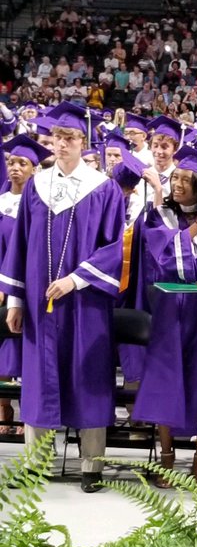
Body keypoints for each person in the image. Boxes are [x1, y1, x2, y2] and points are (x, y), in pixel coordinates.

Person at [0, 102, 125, 492]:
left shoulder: (103, 188)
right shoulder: (36, 187)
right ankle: (36, 464)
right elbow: (19, 247)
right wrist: (16, 301)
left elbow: (113, 248)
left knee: (88, 376)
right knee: (39, 378)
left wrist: (75, 280)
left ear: (82, 141)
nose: (63, 143)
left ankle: (92, 466)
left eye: (70, 137)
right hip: (40, 305)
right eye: (57, 137)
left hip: (86, 303)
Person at [132, 154, 197, 484]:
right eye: (174, 178)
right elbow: (162, 258)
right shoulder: (159, 216)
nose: (176, 185)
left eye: (185, 180)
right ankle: (166, 458)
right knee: (165, 384)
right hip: (169, 312)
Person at [0, 135, 52, 434]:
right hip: (1, 286)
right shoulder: (1, 203)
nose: (15, 168)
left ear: (34, 169)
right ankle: (4, 408)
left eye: (22, 163)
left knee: (26, 351)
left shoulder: (39, 205)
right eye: (11, 162)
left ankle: (26, 414)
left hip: (28, 286)